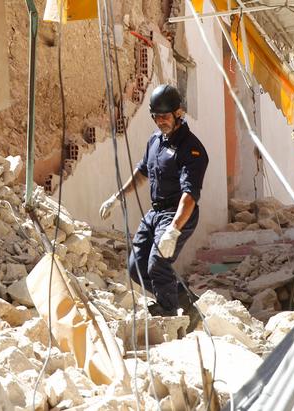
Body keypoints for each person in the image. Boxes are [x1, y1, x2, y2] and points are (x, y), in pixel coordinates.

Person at [99, 84, 209, 331]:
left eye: (165, 116)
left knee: (157, 264)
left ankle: (169, 313)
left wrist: (174, 229)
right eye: (156, 117)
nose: (160, 122)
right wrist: (118, 197)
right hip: (155, 213)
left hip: (178, 213)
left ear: (178, 114)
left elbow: (189, 195)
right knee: (136, 268)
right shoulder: (155, 141)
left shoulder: (191, 148)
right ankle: (188, 303)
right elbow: (142, 172)